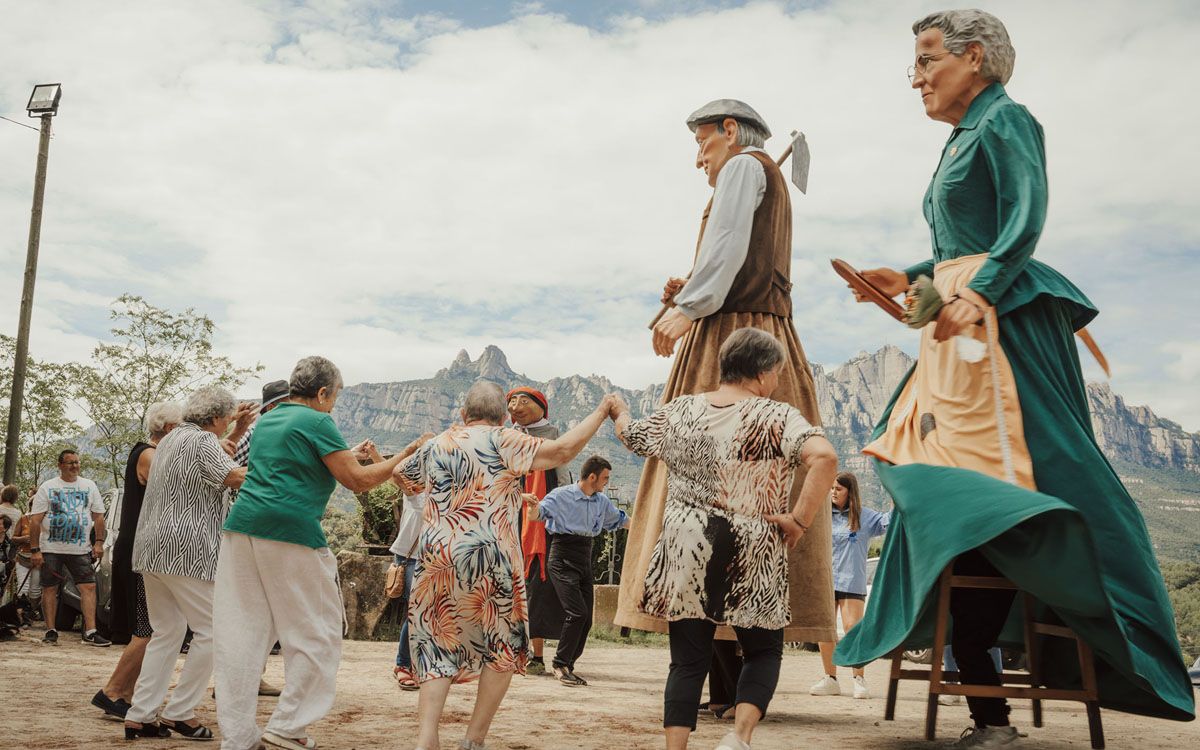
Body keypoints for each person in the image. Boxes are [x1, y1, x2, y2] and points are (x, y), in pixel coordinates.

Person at [835, 9, 1195, 748]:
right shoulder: (962, 138)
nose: (917, 76)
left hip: (999, 324)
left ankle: (1087, 616)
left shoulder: (1008, 120)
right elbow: (959, 248)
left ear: (976, 59)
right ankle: (973, 651)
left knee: (1025, 467)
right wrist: (906, 276)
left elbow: (1025, 217)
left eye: (929, 59)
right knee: (937, 459)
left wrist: (983, 290)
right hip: (961, 319)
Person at [616, 99, 832, 648]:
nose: (698, 160)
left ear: (730, 131)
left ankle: (712, 650)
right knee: (755, 485)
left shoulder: (742, 166)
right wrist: (689, 283)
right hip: (768, 333)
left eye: (701, 142)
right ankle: (736, 662)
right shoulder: (759, 178)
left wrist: (690, 306)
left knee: (702, 474)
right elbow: (735, 253)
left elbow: (731, 247)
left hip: (729, 335)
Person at [613, 327, 839, 750]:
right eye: (775, 373)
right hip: (753, 540)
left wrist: (618, 408)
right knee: (763, 651)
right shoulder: (778, 415)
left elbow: (633, 437)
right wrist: (799, 520)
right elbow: (824, 458)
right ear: (765, 372)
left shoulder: (681, 410)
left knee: (687, 661)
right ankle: (739, 737)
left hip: (686, 542)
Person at [395, 381, 618, 750]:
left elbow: (402, 475)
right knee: (502, 648)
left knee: (436, 645)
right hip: (491, 557)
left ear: (463, 415)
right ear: (502, 417)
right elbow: (561, 450)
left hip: (438, 557)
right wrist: (602, 411)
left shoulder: (438, 444)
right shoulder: (504, 439)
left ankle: (426, 738)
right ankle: (473, 739)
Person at [214, 355, 422, 750]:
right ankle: (289, 726)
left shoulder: (268, 420)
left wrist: (350, 455)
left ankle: (238, 737)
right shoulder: (317, 419)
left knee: (242, 633)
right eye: (336, 396)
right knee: (319, 632)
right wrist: (404, 456)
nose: (335, 405)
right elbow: (357, 482)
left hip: (241, 529)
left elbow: (302, 464)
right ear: (323, 392)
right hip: (290, 530)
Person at [123, 387, 248, 741]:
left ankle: (141, 714)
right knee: (213, 630)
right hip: (186, 549)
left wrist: (237, 431)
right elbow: (235, 477)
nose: (227, 425)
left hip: (151, 547)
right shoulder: (203, 441)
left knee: (167, 632)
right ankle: (180, 712)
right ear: (215, 418)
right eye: (226, 419)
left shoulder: (170, 440)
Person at [91, 401, 183, 721]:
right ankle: (113, 691)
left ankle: (124, 693)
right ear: (170, 430)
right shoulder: (149, 454)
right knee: (148, 629)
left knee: (153, 628)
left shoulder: (145, 452)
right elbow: (178, 484)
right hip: (140, 549)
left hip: (138, 547)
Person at [524, 454, 628, 687]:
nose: (606, 483)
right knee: (577, 612)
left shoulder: (601, 502)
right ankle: (559, 664)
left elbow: (621, 519)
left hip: (584, 557)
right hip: (561, 556)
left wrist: (650, 524)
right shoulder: (561, 496)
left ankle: (567, 665)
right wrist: (532, 508)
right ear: (592, 476)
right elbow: (537, 514)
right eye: (604, 478)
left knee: (586, 619)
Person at [809, 471, 890, 699]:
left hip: (852, 581)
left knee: (853, 629)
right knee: (825, 631)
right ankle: (830, 679)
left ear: (850, 491)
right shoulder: (823, 514)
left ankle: (859, 679)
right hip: (825, 580)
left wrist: (898, 494)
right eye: (831, 488)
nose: (833, 492)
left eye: (838, 489)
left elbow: (889, 521)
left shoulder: (865, 517)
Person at [506, 386, 568, 676]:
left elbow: (563, 478)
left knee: (538, 587)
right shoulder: (507, 438)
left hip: (541, 525)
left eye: (523, 400)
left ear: (541, 406)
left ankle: (537, 654)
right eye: (511, 401)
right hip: (509, 521)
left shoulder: (553, 436)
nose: (516, 405)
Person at [27, 449, 110, 646]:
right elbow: (36, 521)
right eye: (70, 462)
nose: (74, 466)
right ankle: (50, 630)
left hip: (80, 548)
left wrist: (98, 543)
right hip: (51, 548)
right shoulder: (48, 487)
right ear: (60, 465)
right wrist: (35, 550)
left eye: (77, 462)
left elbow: (98, 516)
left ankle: (90, 632)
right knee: (49, 588)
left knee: (88, 586)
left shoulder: (89, 486)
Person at [390, 484, 428, 691]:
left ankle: (416, 663)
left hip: (436, 556)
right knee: (415, 611)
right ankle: (403, 664)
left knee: (425, 612)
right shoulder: (414, 491)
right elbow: (398, 475)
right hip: (411, 556)